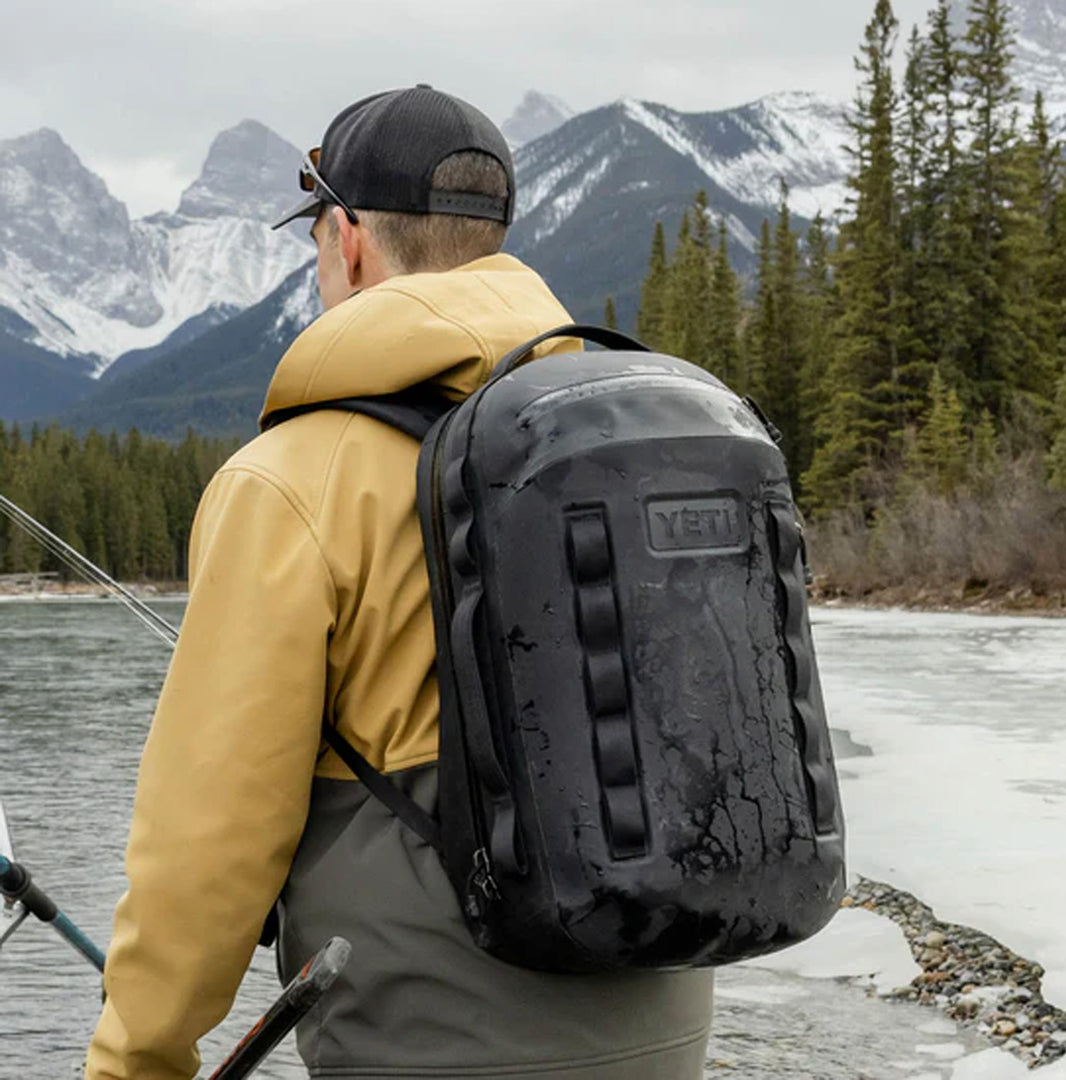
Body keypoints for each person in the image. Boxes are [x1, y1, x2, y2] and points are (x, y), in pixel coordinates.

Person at [86, 85, 713, 1080]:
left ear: (347, 242)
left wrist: (135, 1060)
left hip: (431, 1042)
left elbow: (206, 846)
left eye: (315, 242)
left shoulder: (290, 481)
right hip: (665, 1021)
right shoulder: (624, 438)